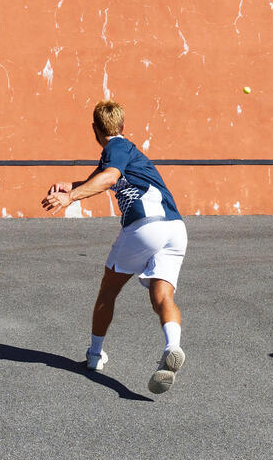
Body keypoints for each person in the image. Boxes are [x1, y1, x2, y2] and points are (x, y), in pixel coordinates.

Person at [41, 100, 187, 395]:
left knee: (108, 291)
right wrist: (71, 185)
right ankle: (172, 347)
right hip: (176, 229)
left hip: (145, 227)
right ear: (122, 125)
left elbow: (108, 178)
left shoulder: (115, 148)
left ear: (95, 129)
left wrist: (71, 199)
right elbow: (105, 179)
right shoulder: (125, 154)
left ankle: (94, 356)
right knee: (162, 296)